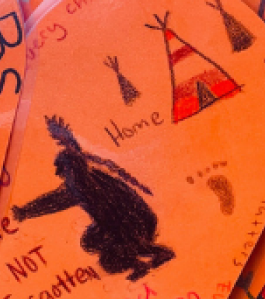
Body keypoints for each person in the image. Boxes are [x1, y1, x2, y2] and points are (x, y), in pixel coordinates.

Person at [13, 115, 175, 281]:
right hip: (123, 226)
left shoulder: (88, 188)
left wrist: (25, 212)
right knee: (91, 241)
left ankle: (155, 254)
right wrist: (26, 211)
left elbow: (56, 200)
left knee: (109, 259)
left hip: (138, 224)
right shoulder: (84, 184)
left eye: (62, 171)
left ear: (71, 170)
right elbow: (54, 201)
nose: (60, 176)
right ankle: (141, 260)